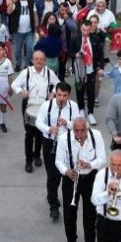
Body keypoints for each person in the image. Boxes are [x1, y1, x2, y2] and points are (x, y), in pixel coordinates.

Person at [55, 117, 107, 242]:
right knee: (69, 211)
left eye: (82, 130)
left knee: (91, 213)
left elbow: (102, 159)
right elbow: (59, 161)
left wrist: (89, 164)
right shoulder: (64, 139)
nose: (78, 134)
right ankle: (71, 240)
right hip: (71, 178)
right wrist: (67, 171)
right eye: (76, 130)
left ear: (87, 128)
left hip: (90, 178)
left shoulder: (96, 136)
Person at [35, 82, 79, 219]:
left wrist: (68, 123)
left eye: (64, 96)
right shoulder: (46, 105)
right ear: (56, 93)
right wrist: (49, 129)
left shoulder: (74, 106)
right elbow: (38, 122)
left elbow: (78, 125)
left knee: (65, 175)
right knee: (53, 176)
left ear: (68, 95)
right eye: (59, 95)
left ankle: (61, 199)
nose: (61, 98)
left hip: (67, 145)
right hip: (50, 143)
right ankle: (53, 204)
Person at [11, 50, 59, 173]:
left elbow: (58, 84)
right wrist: (21, 91)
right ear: (32, 60)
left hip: (43, 107)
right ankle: (28, 160)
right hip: (28, 105)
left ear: (44, 61)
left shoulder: (49, 73)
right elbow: (14, 84)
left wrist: (53, 93)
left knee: (40, 133)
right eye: (36, 59)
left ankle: (37, 155)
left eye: (41, 59)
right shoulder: (26, 72)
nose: (38, 61)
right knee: (29, 134)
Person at [70, 20, 103, 125]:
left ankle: (91, 113)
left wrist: (100, 67)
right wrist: (75, 55)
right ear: (81, 28)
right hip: (79, 69)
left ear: (91, 29)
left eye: (88, 30)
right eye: (84, 30)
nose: (85, 32)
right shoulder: (75, 38)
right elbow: (70, 52)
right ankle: (81, 110)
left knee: (91, 92)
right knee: (79, 90)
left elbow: (100, 54)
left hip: (90, 69)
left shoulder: (95, 38)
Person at [7, 0, 37, 73]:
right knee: (17, 50)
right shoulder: (15, 2)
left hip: (29, 31)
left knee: (30, 48)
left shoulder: (31, 2)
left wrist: (36, 27)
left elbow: (35, 15)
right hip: (18, 32)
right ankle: (18, 64)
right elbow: (9, 12)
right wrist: (12, 2)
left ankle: (27, 64)